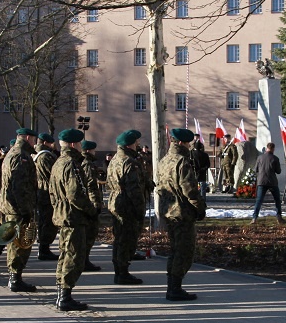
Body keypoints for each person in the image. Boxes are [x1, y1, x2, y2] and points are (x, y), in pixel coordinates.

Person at [49, 128, 99, 311]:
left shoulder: (58, 162)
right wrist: (90, 209)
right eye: (78, 144)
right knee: (73, 256)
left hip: (63, 215)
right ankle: (65, 296)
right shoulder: (71, 164)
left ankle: (62, 293)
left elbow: (52, 192)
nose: (80, 147)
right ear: (73, 144)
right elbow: (75, 194)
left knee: (65, 254)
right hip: (73, 216)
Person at [156, 128, 206, 301]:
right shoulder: (182, 162)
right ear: (182, 143)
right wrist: (200, 208)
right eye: (189, 143)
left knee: (175, 249)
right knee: (184, 251)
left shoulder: (164, 161)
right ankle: (174, 289)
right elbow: (190, 191)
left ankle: (173, 287)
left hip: (168, 211)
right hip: (182, 212)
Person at [106, 130, 150, 285]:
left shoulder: (115, 159)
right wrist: (140, 209)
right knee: (126, 239)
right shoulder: (129, 162)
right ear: (131, 144)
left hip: (116, 202)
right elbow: (134, 189)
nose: (138, 144)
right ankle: (122, 273)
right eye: (136, 142)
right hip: (127, 204)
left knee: (119, 238)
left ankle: (119, 270)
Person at [0, 128, 39, 292]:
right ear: (28, 138)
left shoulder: (13, 153)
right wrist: (25, 210)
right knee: (18, 243)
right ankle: (15, 278)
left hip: (12, 206)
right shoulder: (20, 156)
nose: (35, 143)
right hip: (17, 209)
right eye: (34, 139)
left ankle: (15, 276)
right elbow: (19, 186)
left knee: (16, 242)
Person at [33, 132, 59, 261]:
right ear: (45, 143)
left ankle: (44, 248)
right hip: (47, 192)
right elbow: (53, 175)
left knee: (44, 221)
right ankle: (44, 249)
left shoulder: (37, 155)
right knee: (47, 222)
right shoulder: (45, 157)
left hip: (42, 191)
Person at [80, 139, 103, 272]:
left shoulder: (82, 162)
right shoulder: (88, 164)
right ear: (89, 150)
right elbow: (90, 186)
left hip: (85, 202)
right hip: (89, 203)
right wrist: (96, 204)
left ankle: (84, 259)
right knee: (90, 232)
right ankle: (84, 260)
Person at [250, 143, 286, 224]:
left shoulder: (260, 158)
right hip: (272, 182)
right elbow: (278, 171)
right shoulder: (275, 158)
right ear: (273, 149)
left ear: (267, 148)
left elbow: (255, 169)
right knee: (277, 200)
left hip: (261, 181)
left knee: (259, 200)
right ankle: (279, 217)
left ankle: (254, 218)